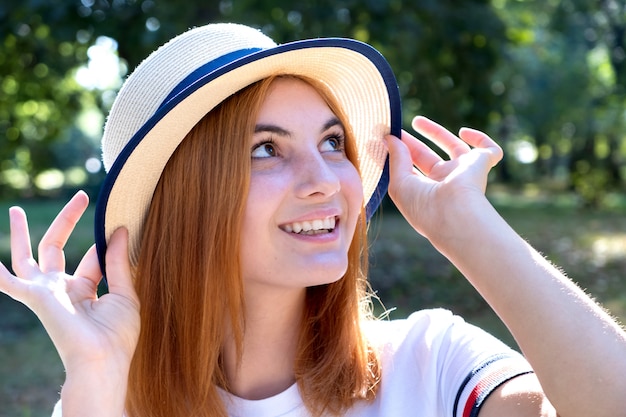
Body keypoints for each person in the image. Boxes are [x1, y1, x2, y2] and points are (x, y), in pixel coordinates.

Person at [0, 22, 625, 417]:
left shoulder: (432, 366)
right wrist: (95, 374)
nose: (326, 181)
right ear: (185, 204)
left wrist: (469, 230)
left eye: (332, 143)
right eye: (266, 149)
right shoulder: (108, 401)